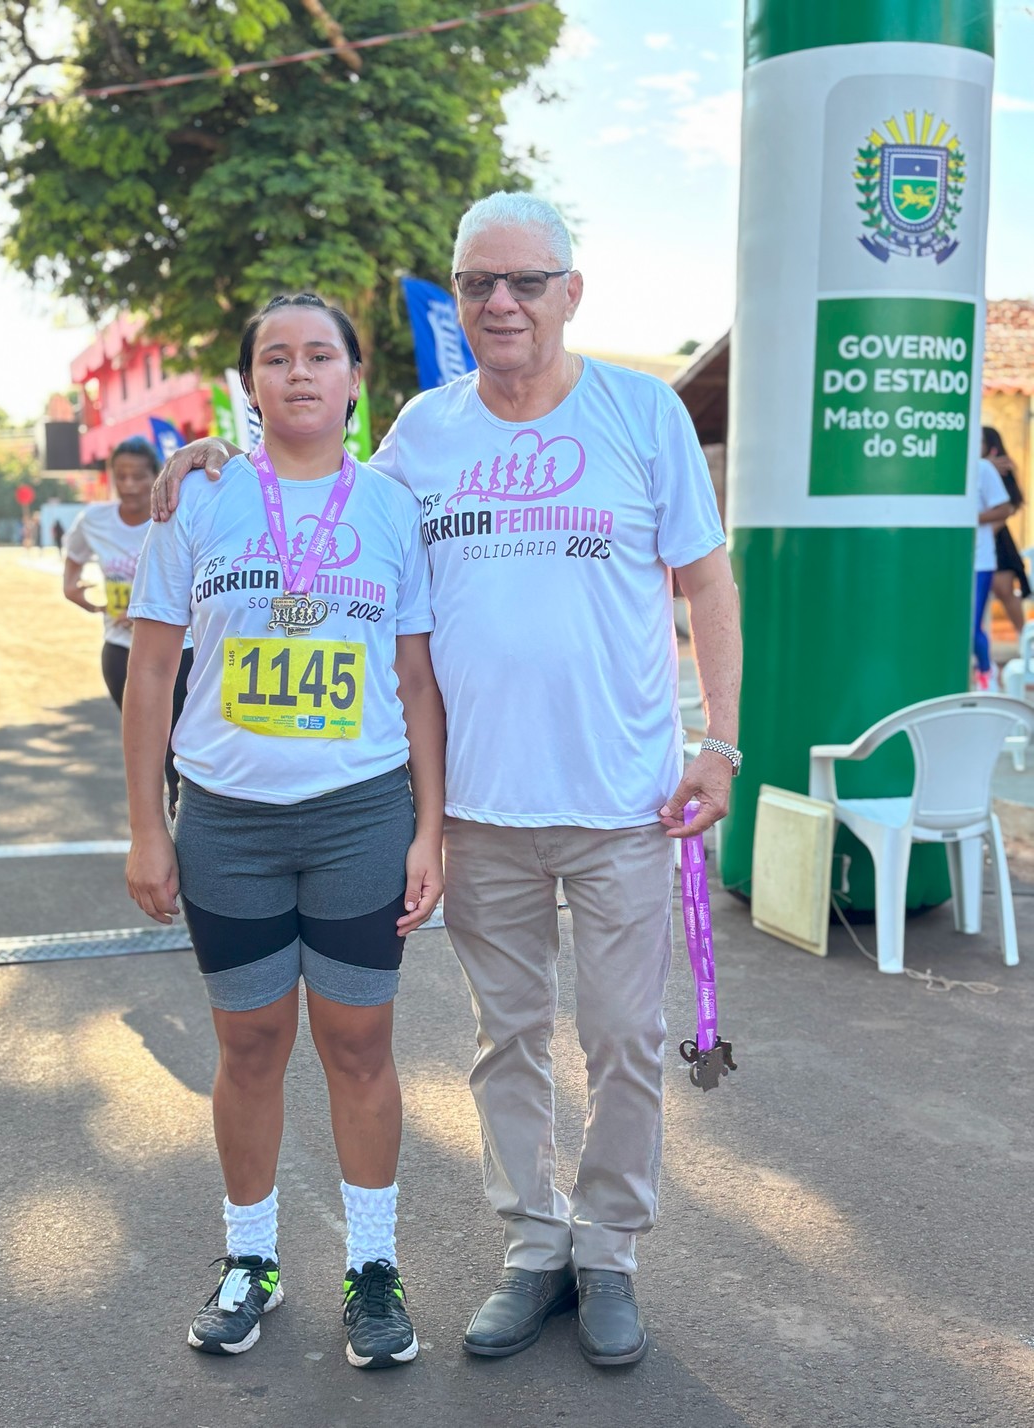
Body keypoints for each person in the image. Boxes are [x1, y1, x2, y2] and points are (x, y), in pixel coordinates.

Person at [153, 194, 742, 1368]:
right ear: (458, 299)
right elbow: (323, 501)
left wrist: (717, 741)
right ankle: (534, 1251)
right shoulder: (421, 431)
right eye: (479, 284)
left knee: (625, 1039)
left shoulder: (643, 415)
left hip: (626, 800)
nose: (502, 303)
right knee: (506, 1041)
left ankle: (610, 1255)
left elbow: (709, 586)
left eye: (526, 281)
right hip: (475, 809)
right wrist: (215, 456)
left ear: (573, 291)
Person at [124, 293, 445, 1369]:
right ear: (249, 383)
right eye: (276, 358)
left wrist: (428, 829)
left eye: (321, 356)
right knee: (249, 1045)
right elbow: (154, 674)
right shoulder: (198, 500)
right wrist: (147, 830)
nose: (299, 373)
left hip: (360, 815)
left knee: (359, 1046)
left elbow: (417, 679)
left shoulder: (391, 507)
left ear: (356, 379)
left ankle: (372, 1268)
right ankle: (249, 1258)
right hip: (227, 822)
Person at [63, 436, 193, 813]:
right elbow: (71, 573)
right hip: (122, 652)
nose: (131, 485)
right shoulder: (94, 521)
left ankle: (182, 825)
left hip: (181, 652)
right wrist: (83, 597)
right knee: (149, 746)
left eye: (139, 476)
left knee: (180, 746)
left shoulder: (177, 513)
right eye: (122, 476)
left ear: (157, 475)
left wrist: (149, 611)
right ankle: (157, 829)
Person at [973, 442, 1013, 690]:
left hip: (979, 560)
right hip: (944, 561)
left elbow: (1005, 508)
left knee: (971, 623)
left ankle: (986, 671)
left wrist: (968, 517)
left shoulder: (983, 469)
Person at [983, 425, 1029, 639]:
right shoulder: (979, 467)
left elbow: (1010, 504)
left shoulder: (999, 468)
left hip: (997, 538)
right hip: (984, 535)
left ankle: (1023, 637)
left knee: (1004, 590)